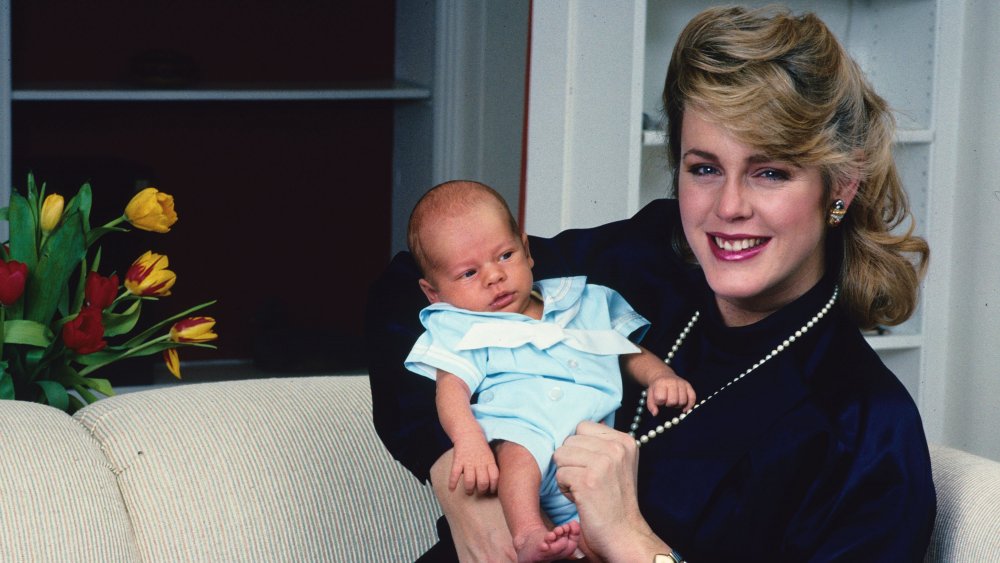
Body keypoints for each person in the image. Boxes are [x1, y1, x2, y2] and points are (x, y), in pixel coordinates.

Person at [366, 5, 935, 561]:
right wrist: (456, 475)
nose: (729, 208)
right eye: (704, 168)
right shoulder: (647, 258)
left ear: (841, 185)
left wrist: (636, 546)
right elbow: (408, 292)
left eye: (770, 172)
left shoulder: (867, 431)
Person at [403, 180, 696, 561]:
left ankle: (572, 549)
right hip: (523, 431)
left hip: (590, 449)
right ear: (434, 294)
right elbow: (451, 389)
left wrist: (660, 377)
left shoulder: (581, 300)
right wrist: (469, 441)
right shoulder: (463, 327)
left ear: (527, 251)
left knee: (595, 530)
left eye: (505, 255)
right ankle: (527, 533)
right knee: (518, 456)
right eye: (469, 274)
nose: (494, 276)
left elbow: (626, 351)